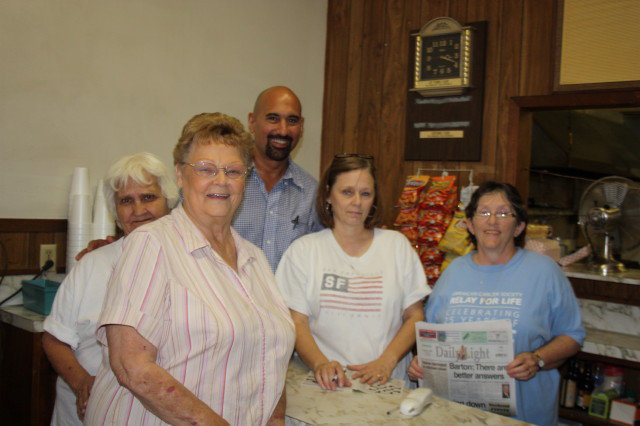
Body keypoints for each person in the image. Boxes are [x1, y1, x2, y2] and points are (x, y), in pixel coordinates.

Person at [84, 113, 295, 425]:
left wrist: (275, 420)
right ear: (180, 176)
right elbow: (133, 366)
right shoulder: (151, 244)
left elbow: (270, 355)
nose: (221, 181)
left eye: (233, 171)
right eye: (206, 169)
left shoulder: (255, 259)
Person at [408, 181, 585, 426]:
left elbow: (572, 335)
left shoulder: (544, 271)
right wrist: (423, 362)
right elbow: (431, 336)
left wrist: (538, 358)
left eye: (503, 213)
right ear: (470, 224)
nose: (492, 221)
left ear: (518, 226)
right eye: (484, 212)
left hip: (524, 415)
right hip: (456, 415)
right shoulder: (453, 272)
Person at [42, 152, 178, 425]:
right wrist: (82, 382)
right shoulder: (92, 265)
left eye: (148, 197)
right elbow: (55, 338)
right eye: (126, 201)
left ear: (169, 203)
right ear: (115, 211)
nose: (138, 210)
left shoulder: (188, 265)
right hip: (83, 413)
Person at [276, 154, 430, 391]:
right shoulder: (304, 251)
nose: (357, 202)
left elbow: (415, 316)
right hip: (326, 388)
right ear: (328, 194)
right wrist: (321, 364)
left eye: (365, 193)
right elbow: (296, 321)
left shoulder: (396, 246)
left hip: (389, 384)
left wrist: (385, 363)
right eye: (347, 192)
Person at [233, 86, 323, 271]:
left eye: (292, 120)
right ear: (251, 122)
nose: (283, 130)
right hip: (227, 298)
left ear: (302, 126)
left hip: (288, 300)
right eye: (273, 119)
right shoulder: (225, 181)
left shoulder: (312, 193)